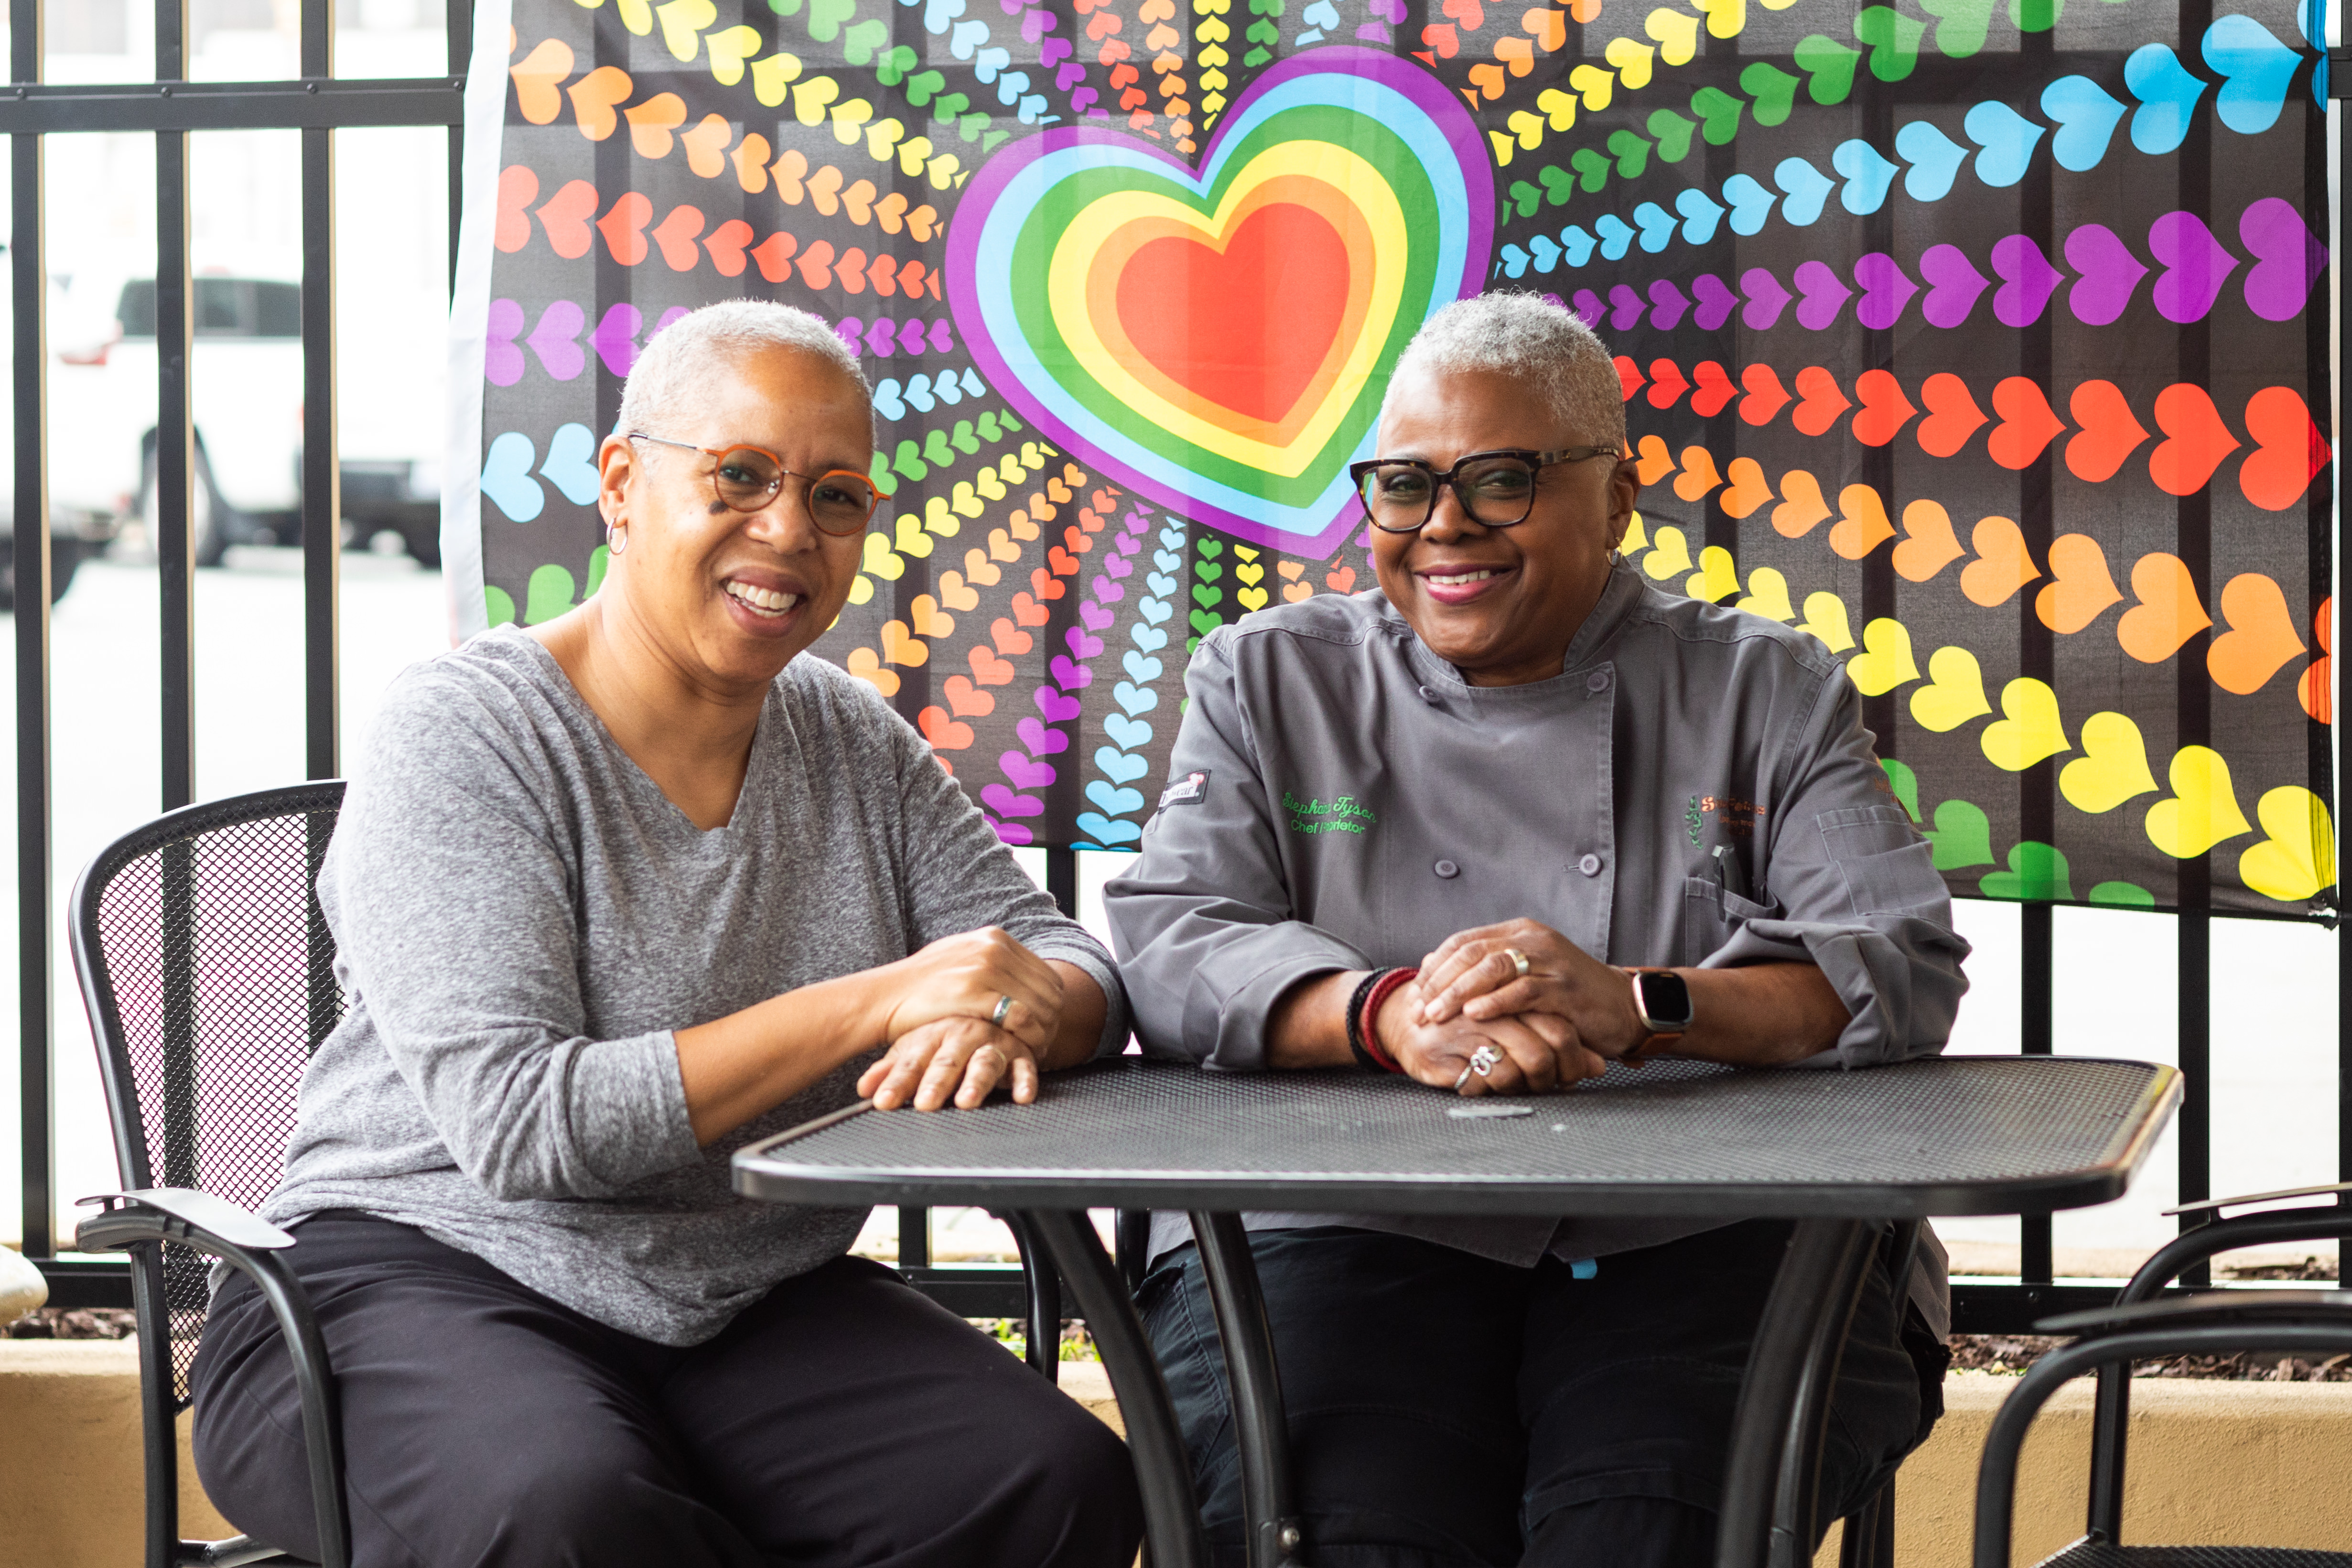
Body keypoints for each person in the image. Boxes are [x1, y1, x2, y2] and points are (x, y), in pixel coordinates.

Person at [190, 300, 1144, 1568]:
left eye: (838, 494)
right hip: (417, 1271)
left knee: (1050, 1478)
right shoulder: (469, 730)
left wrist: (1007, 1001)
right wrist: (886, 999)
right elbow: (525, 1124)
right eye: (739, 476)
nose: (789, 531)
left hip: (738, 1298)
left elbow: (1059, 959)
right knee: (567, 1511)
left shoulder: (848, 741)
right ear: (624, 483)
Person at [1105, 292, 1969, 1568]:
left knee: (1642, 1525)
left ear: (1617, 497)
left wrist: (1634, 1005)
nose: (1443, 523)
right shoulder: (1264, 679)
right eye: (1403, 484)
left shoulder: (1761, 687)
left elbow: (1893, 962)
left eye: (1499, 479)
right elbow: (1173, 935)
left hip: (1712, 1227)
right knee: (1342, 1528)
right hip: (1332, 1222)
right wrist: (1388, 1013)